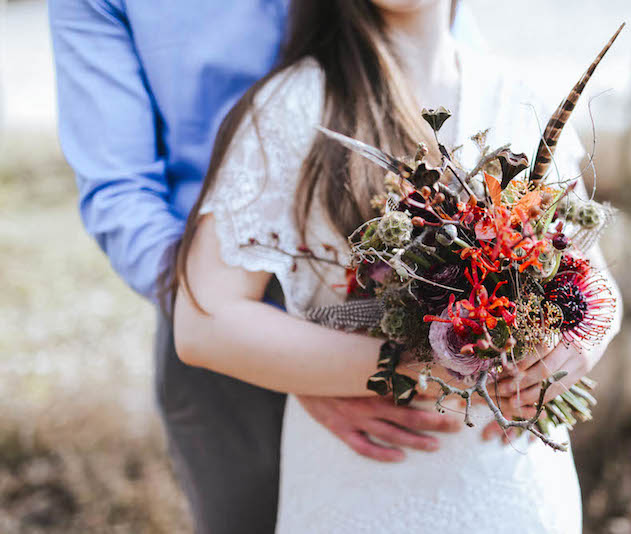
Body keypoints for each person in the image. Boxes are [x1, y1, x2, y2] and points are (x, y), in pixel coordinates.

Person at [171, 0, 621, 532]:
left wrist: (576, 349)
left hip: (517, 488)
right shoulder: (295, 105)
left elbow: (595, 280)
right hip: (370, 484)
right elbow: (204, 323)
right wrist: (409, 365)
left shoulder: (518, 96)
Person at [49, 1, 485, 532]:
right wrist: (262, 341)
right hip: (219, 322)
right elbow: (119, 189)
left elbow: (439, 65)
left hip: (401, 291)